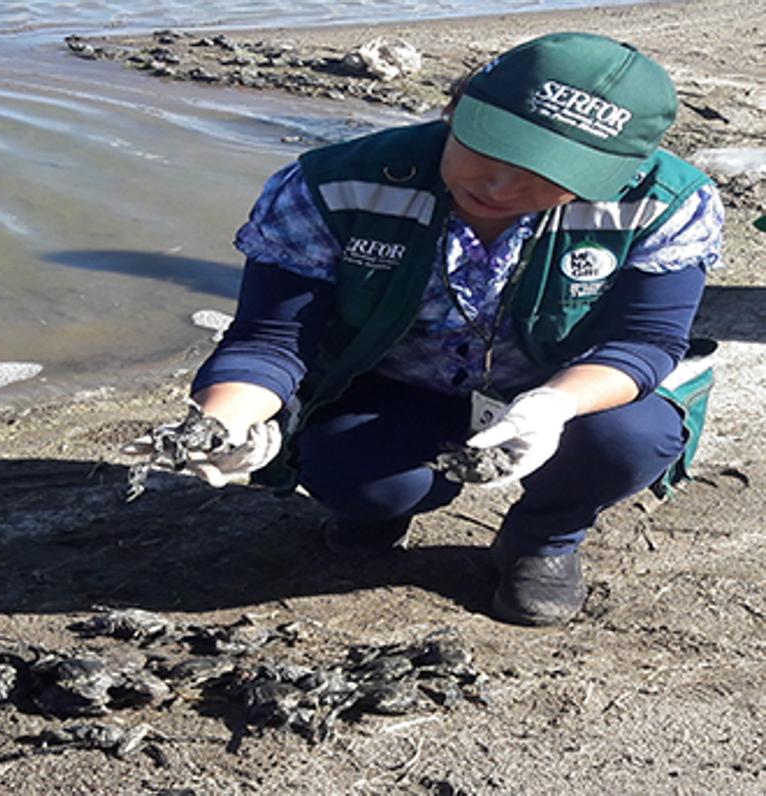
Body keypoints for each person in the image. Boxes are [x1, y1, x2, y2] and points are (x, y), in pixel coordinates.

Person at [127, 32, 724, 626]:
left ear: (618, 171)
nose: (501, 188)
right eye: (488, 151)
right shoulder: (334, 186)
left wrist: (551, 406)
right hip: (395, 385)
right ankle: (380, 508)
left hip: (561, 385)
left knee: (630, 438)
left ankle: (546, 534)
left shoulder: (666, 203)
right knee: (352, 475)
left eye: (546, 174)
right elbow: (271, 339)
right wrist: (228, 420)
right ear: (456, 107)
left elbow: (645, 341)